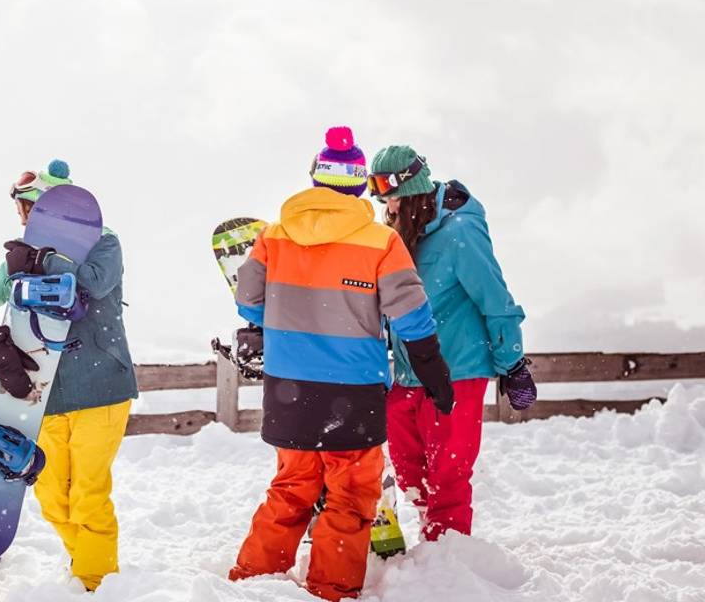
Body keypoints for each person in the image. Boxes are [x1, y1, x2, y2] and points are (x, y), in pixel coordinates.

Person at [228, 128, 455, 601]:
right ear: (358, 187)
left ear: (315, 179)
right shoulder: (380, 242)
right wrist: (432, 369)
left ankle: (251, 584)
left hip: (288, 387)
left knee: (290, 488)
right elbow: (411, 315)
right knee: (351, 497)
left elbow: (248, 302)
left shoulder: (274, 236)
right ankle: (330, 590)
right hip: (353, 392)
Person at [0, 159, 138, 591]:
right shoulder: (21, 260)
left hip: (103, 389)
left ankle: (96, 583)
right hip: (46, 396)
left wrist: (46, 259)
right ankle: (84, 567)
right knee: (53, 499)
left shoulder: (105, 245)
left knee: (88, 497)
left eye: (28, 208)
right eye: (20, 210)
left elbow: (91, 284)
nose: (22, 219)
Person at [369, 146, 535, 542]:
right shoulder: (403, 232)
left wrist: (513, 364)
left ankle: (447, 553)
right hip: (411, 371)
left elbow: (495, 300)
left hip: (458, 368)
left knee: (448, 472)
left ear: (410, 190)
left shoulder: (460, 232)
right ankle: (433, 537)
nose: (384, 206)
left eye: (388, 195)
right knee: (408, 469)